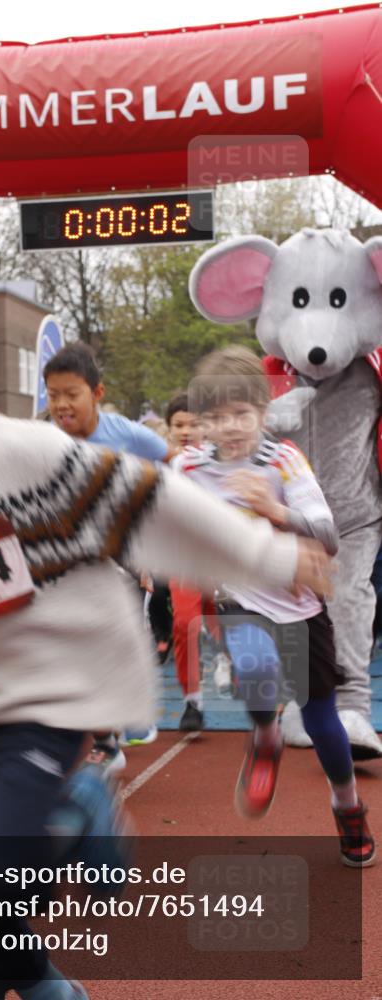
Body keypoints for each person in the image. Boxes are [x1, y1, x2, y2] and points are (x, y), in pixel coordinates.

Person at [0, 270, 333, 1000]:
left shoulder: (24, 453)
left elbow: (156, 505)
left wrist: (272, 556)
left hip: (58, 690)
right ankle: (52, 989)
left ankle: (74, 809)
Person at [178, 345, 375, 866]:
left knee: (320, 722)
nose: (231, 427)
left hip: (300, 603)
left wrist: (275, 511)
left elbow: (329, 536)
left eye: (242, 414)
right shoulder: (190, 466)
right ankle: (265, 734)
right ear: (202, 423)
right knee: (255, 662)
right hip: (241, 598)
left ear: (263, 413)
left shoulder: (282, 460)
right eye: (217, 417)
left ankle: (347, 805)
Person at [44, 342, 169, 757]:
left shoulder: (126, 434)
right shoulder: (42, 440)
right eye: (53, 394)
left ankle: (127, 717)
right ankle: (104, 739)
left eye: (71, 394)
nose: (61, 404)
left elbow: (170, 462)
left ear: (96, 394)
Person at [165, 392, 232, 731]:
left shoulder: (219, 461)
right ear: (169, 429)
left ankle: (224, 656)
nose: (186, 430)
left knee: (216, 613)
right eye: (179, 425)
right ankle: (193, 701)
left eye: (193, 424)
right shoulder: (159, 464)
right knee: (184, 622)